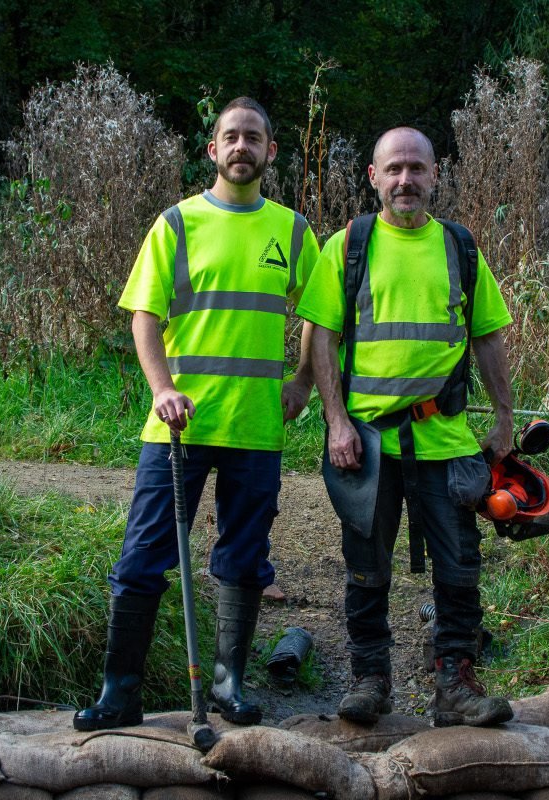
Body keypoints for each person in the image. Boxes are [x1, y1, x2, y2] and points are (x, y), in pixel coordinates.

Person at [74, 97, 319, 731]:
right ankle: (118, 691)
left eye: (254, 138)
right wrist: (161, 389)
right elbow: (144, 317)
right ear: (212, 150)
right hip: (176, 431)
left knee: (245, 561)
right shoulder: (176, 225)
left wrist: (302, 382)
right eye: (230, 137)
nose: (242, 147)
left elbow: (320, 316)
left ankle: (227, 687)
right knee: (142, 560)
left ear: (270, 152)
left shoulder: (292, 232)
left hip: (257, 428)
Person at [296, 126, 515, 727]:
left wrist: (503, 416)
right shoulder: (349, 245)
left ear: (435, 175)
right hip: (365, 444)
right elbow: (322, 335)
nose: (405, 180)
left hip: (445, 442)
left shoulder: (461, 249)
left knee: (460, 566)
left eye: (417, 169)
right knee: (366, 568)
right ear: (373, 177)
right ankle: (371, 679)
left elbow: (488, 336)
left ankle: (455, 683)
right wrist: (335, 421)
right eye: (393, 169)